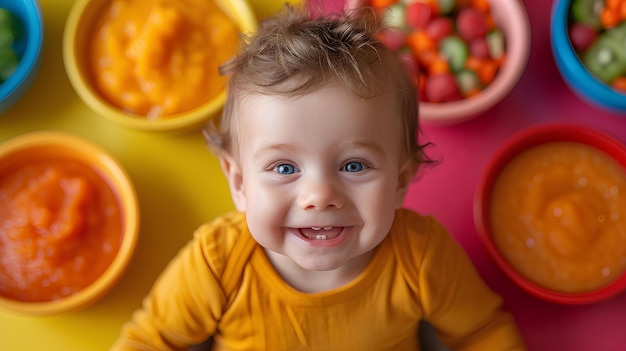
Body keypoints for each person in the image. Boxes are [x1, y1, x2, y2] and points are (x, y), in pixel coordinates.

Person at [111, 4, 526, 350]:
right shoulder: (217, 264)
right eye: (285, 168)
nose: (319, 196)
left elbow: (482, 332)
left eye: (354, 165)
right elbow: (151, 339)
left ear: (400, 180)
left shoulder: (421, 258)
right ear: (239, 183)